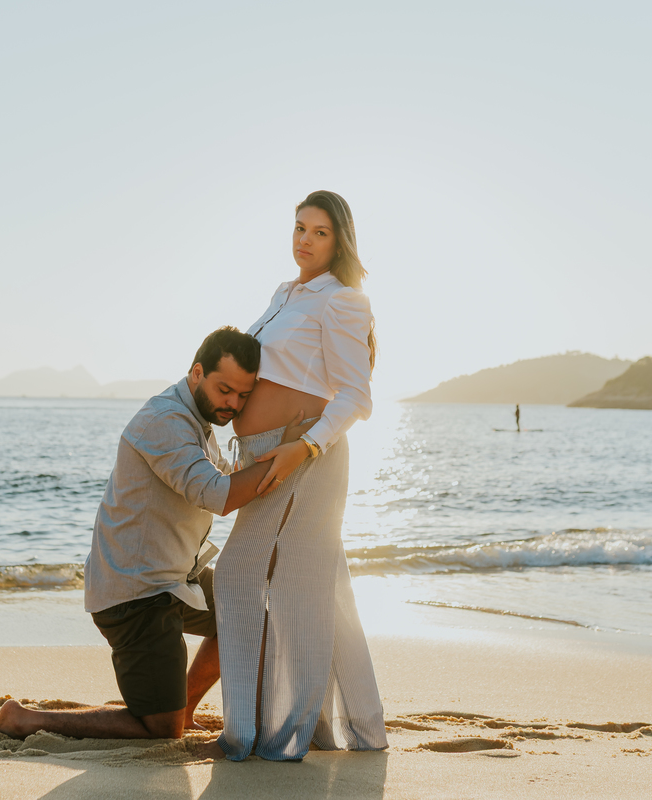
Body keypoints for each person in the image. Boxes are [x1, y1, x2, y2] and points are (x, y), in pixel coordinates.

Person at [0, 327, 313, 742]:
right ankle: (24, 718)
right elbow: (215, 493)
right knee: (161, 732)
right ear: (197, 372)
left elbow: (221, 476)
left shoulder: (198, 422)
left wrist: (283, 444)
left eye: (243, 395)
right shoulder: (164, 421)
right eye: (224, 389)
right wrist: (290, 456)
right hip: (135, 594)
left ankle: (185, 709)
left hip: (176, 579)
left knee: (249, 616)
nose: (232, 403)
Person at [213, 190, 388, 761]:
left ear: (340, 240)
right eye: (298, 227)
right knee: (326, 591)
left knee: (244, 574)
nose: (304, 240)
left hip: (299, 455)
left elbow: (355, 398)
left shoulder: (342, 300)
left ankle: (262, 731)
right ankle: (359, 727)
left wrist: (304, 448)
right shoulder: (284, 293)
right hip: (262, 451)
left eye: (319, 232)